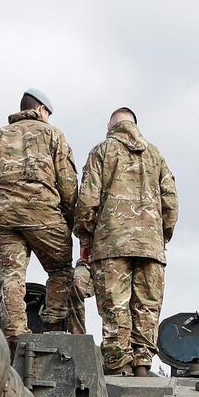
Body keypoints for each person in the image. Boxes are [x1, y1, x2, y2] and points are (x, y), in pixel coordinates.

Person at [76, 107, 177, 376]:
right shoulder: (156, 155)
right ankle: (143, 364)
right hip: (150, 245)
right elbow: (171, 200)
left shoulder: (102, 151)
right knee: (146, 306)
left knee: (115, 306)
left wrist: (85, 238)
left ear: (111, 126)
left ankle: (118, 365)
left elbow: (87, 201)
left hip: (111, 244)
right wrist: (160, 236)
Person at [0, 88, 78, 343]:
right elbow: (67, 183)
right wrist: (72, 222)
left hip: (3, 218)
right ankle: (54, 329)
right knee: (60, 270)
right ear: (42, 110)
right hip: (43, 215)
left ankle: (15, 336)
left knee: (10, 279)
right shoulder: (54, 135)